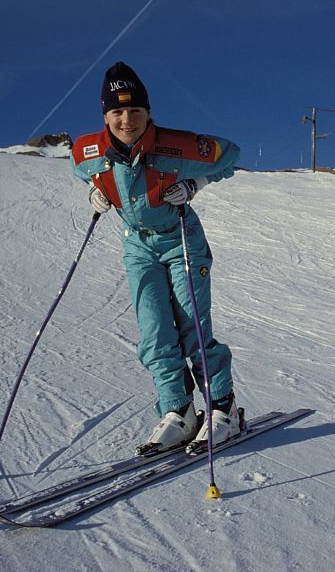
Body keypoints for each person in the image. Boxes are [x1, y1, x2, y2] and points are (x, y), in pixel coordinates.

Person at [71, 62, 241, 451]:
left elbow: (230, 155)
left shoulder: (176, 144)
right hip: (137, 244)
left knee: (192, 324)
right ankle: (178, 410)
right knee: (154, 330)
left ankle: (222, 409)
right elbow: (82, 169)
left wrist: (196, 182)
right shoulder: (87, 151)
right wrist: (95, 192)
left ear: (148, 112)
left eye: (135, 111)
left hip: (180, 237)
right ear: (105, 115)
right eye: (117, 112)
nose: (126, 120)